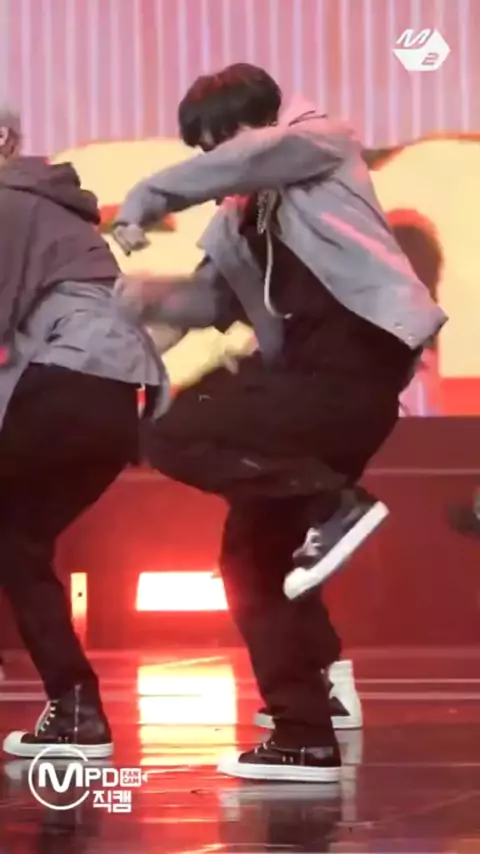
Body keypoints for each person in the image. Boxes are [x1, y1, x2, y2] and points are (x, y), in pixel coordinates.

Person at [113, 64, 447, 782]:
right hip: (302, 388)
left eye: (220, 141)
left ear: (260, 120)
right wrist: (143, 302)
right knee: (251, 561)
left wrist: (148, 195)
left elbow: (254, 157)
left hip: (353, 365)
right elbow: (209, 301)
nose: (217, 159)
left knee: (175, 429)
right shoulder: (237, 216)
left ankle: (335, 505)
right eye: (205, 149)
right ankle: (305, 734)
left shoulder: (319, 142)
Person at [0, 107, 165, 758]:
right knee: (15, 543)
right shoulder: (52, 208)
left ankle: (75, 705)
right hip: (112, 396)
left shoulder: (9, 202)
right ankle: (76, 710)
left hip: (68, 380)